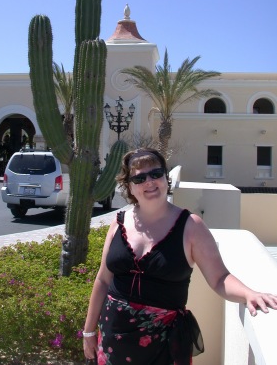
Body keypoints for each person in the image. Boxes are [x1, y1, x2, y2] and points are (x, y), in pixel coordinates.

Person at [83, 148, 277, 364]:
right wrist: (89, 332)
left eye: (156, 174)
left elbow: (219, 278)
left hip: (164, 344)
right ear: (129, 187)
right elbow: (102, 280)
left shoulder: (191, 226)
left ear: (166, 178)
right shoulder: (117, 224)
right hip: (113, 339)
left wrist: (249, 293)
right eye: (139, 178)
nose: (149, 182)